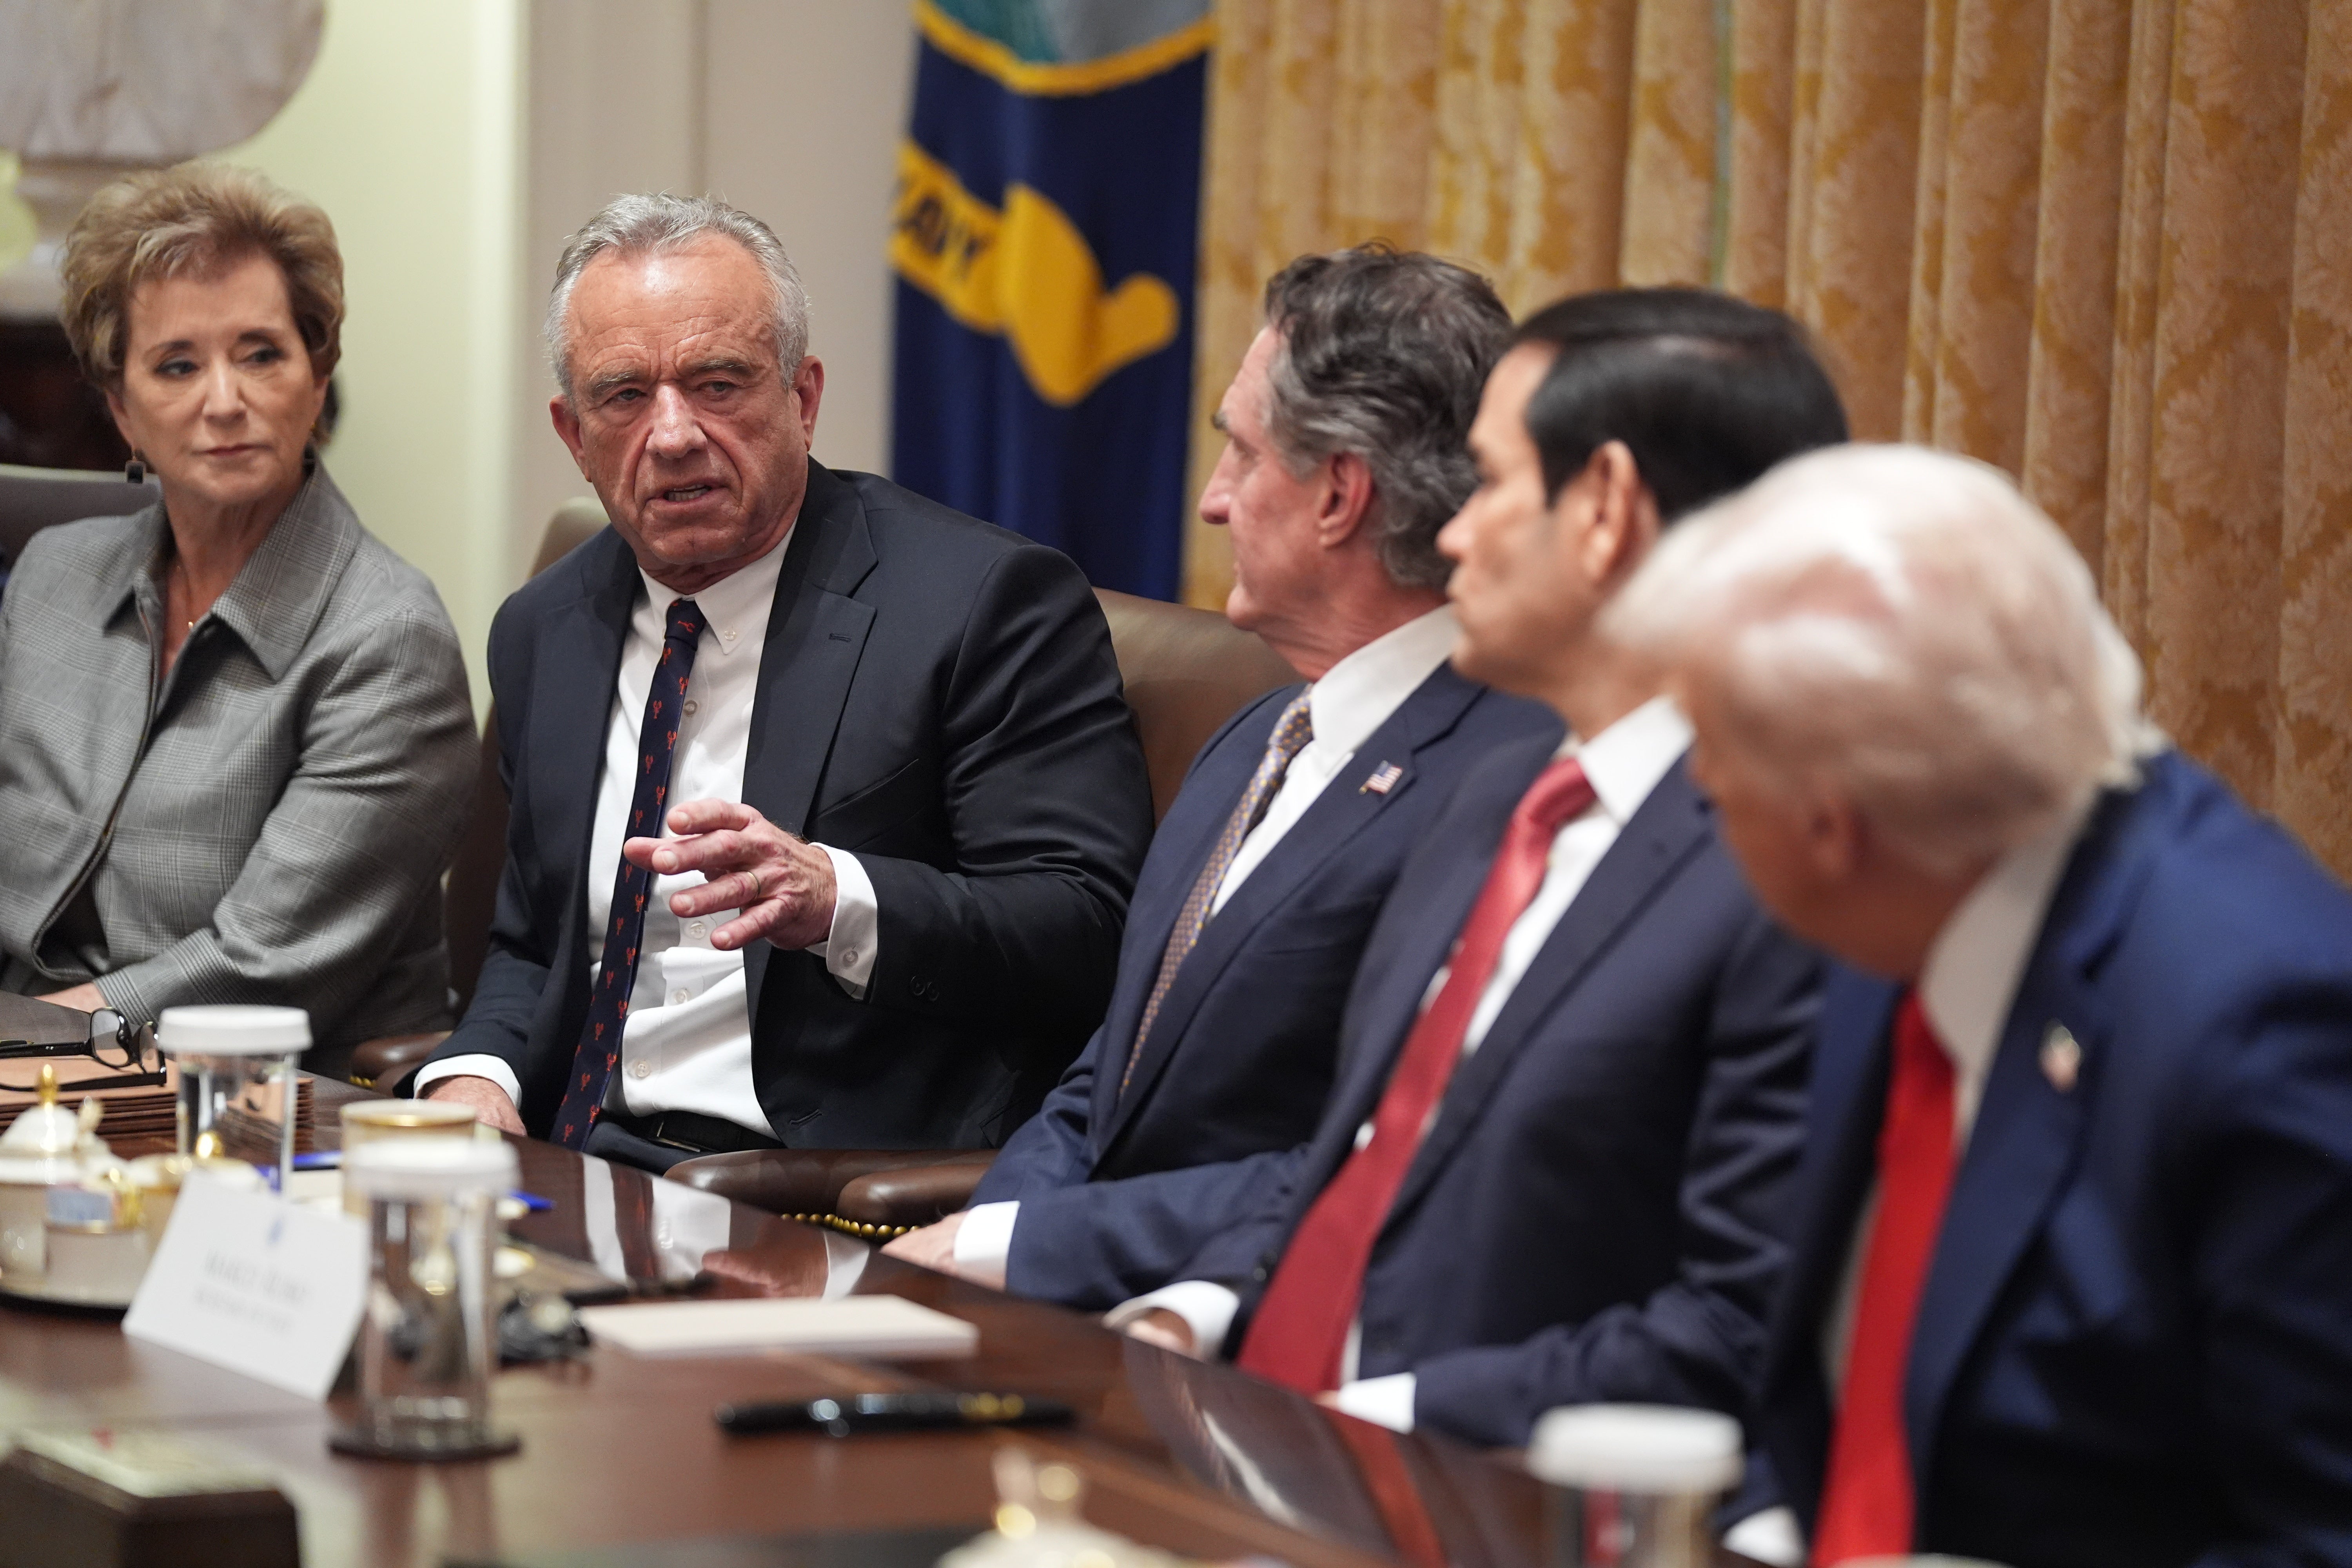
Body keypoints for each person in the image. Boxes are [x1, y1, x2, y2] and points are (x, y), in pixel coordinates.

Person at [1105, 289, 1846, 1450]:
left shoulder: (1790, 875)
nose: (1449, 533)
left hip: (1459, 1478)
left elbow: (1734, 1333)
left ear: (1602, 511)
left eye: (1492, 483)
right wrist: (1194, 1311)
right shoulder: (1503, 797)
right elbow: (1364, 1152)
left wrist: (1362, 1418)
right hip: (1249, 1420)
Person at [1604, 445, 2352, 1568]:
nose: (1698, 784)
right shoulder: (1910, 900)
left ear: (1829, 825)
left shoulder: (2255, 1016)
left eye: (1710, 750)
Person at [414, 194, 1154, 1169]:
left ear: (802, 399)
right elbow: (534, 944)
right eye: (625, 396)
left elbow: (1086, 929)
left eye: (718, 384)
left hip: (817, 1184)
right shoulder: (545, 628)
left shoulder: (983, 605)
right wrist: (476, 1079)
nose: (673, 434)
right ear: (573, 434)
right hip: (579, 1157)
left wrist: (837, 898)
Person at [884, 247, 1558, 1303]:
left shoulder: (1503, 784)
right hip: (1059, 1310)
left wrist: (1017, 1255)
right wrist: (988, 1241)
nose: (1211, 501)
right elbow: (1109, 1081)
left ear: (1340, 494)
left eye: (1241, 456)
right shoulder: (1253, 738)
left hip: (1253, 1344)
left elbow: (1380, 1162)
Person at [0, 162, 475, 1063]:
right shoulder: (51, 580)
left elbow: (255, 970)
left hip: (263, 1108)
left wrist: (28, 1043)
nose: (226, 401)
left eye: (261, 353)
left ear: (316, 373)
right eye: (177, 365)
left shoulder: (387, 642)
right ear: (123, 413)